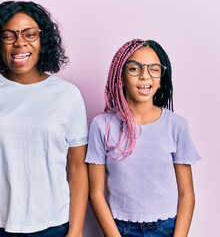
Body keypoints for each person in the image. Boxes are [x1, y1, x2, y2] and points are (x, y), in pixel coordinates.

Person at [0, 1, 88, 237]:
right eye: (9, 35)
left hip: (56, 226)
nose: (20, 42)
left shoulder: (68, 95)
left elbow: (77, 168)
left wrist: (75, 231)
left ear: (42, 39)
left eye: (30, 34)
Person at [85, 39, 201, 237]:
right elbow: (96, 193)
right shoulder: (102, 125)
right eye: (134, 69)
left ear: (161, 78)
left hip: (166, 228)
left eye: (154, 69)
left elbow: (186, 193)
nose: (145, 76)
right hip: (120, 228)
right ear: (120, 76)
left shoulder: (177, 125)